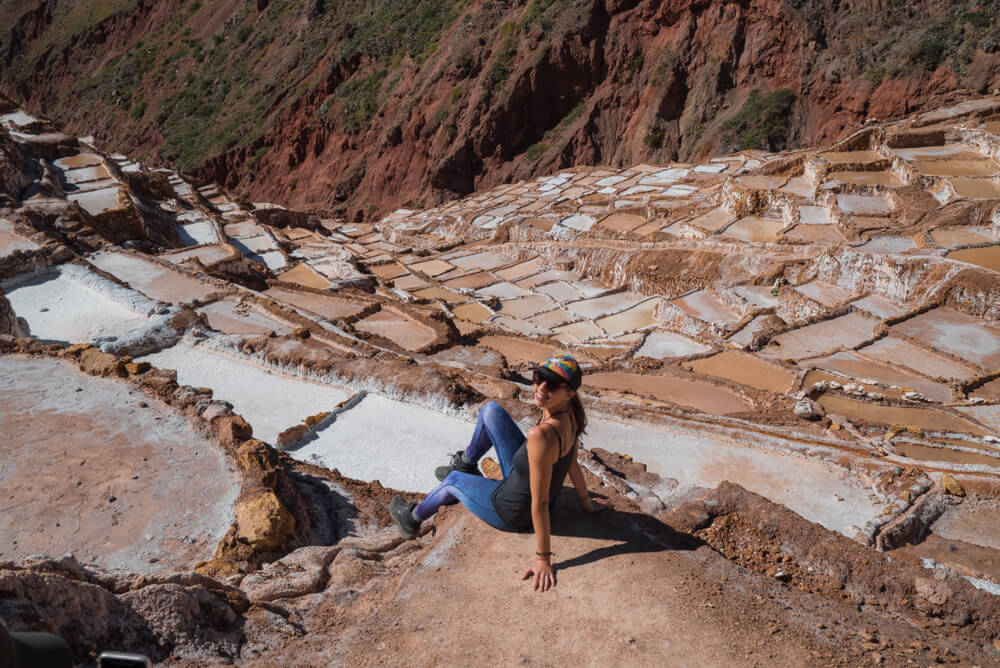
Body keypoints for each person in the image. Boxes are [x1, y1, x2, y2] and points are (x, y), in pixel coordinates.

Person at [389, 352, 605, 591]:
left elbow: (541, 503)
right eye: (537, 378)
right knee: (491, 410)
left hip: (510, 510)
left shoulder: (541, 436)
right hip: (519, 477)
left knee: (452, 481)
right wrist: (586, 502)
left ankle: (411, 519)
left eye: (551, 385)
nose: (541, 387)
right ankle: (467, 462)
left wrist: (543, 559)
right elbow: (572, 464)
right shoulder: (572, 415)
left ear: (569, 393)